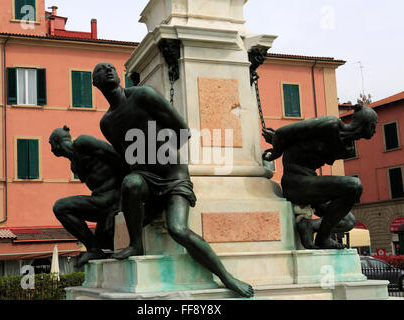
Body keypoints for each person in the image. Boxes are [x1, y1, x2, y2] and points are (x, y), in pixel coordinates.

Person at [93, 62, 254, 298]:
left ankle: (227, 277)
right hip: (145, 179)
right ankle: (136, 243)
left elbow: (182, 130)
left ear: (118, 76)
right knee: (130, 182)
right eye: (100, 69)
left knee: (178, 229)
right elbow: (126, 157)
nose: (107, 69)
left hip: (172, 175)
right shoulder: (106, 123)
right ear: (95, 83)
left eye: (110, 67)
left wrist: (158, 156)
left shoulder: (143, 96)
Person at [262, 105, 378, 249]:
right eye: (374, 126)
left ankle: (309, 226)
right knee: (354, 185)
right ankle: (323, 239)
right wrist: (275, 153)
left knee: (348, 221)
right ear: (366, 124)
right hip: (295, 182)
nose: (375, 130)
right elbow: (282, 133)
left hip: (310, 184)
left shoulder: (347, 149)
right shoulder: (331, 125)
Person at [49, 126, 128, 267]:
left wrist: (123, 201)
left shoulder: (83, 143)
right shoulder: (74, 165)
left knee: (60, 207)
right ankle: (94, 248)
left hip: (113, 197)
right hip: (102, 200)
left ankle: (93, 248)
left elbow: (119, 157)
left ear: (56, 142)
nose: (51, 150)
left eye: (50, 144)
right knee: (105, 240)